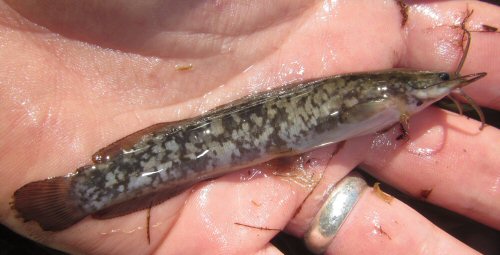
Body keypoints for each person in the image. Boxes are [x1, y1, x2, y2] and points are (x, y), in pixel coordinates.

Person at [0, 1, 498, 254]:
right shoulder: (386, 97)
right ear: (400, 89)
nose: (437, 88)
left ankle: (87, 193)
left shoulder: (387, 97)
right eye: (433, 84)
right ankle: (81, 194)